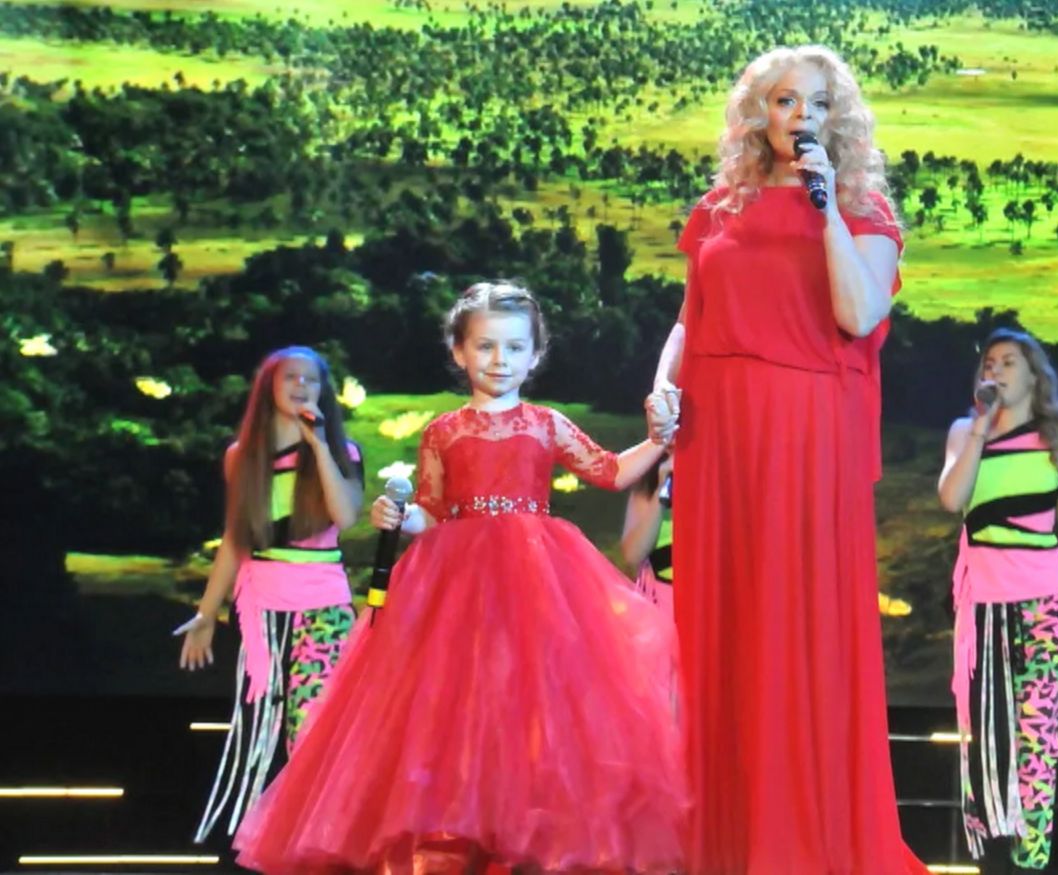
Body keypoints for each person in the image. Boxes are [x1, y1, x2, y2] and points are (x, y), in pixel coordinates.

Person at [232, 282, 688, 875]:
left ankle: (525, 830)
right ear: (459, 351)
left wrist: (657, 442)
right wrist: (400, 516)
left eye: (515, 348)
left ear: (535, 354)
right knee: (459, 707)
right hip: (458, 585)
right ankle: (462, 828)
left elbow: (609, 471)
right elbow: (433, 511)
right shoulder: (443, 431)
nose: (500, 360)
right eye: (485, 346)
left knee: (532, 701)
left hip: (538, 580)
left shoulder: (545, 423)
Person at [646, 44, 926, 874]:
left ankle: (806, 839)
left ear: (838, 120)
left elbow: (858, 312)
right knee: (724, 623)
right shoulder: (718, 208)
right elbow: (691, 317)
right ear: (758, 113)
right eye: (783, 100)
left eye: (817, 103)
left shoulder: (864, 208)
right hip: (720, 432)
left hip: (808, 429)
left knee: (798, 619)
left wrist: (826, 209)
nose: (801, 116)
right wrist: (661, 386)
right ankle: (726, 841)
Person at [937, 328, 1058, 873]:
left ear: (1033, 376)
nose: (995, 370)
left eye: (1008, 362)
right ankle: (994, 861)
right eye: (989, 363)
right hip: (984, 613)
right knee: (988, 750)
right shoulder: (964, 432)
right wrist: (981, 428)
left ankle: (1032, 863)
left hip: (1046, 608)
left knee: (1036, 748)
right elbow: (952, 498)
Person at [175, 346, 363, 842]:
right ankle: (283, 840)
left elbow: (346, 516)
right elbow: (235, 540)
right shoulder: (242, 457)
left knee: (315, 728)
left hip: (322, 607)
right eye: (291, 378)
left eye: (311, 379)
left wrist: (318, 446)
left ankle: (324, 840)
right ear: (270, 388)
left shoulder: (341, 451)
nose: (301, 386)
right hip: (262, 611)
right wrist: (206, 613)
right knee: (266, 729)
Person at [619, 454, 674, 616]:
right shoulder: (650, 482)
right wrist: (661, 492)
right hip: (663, 604)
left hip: (713, 598)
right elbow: (632, 555)